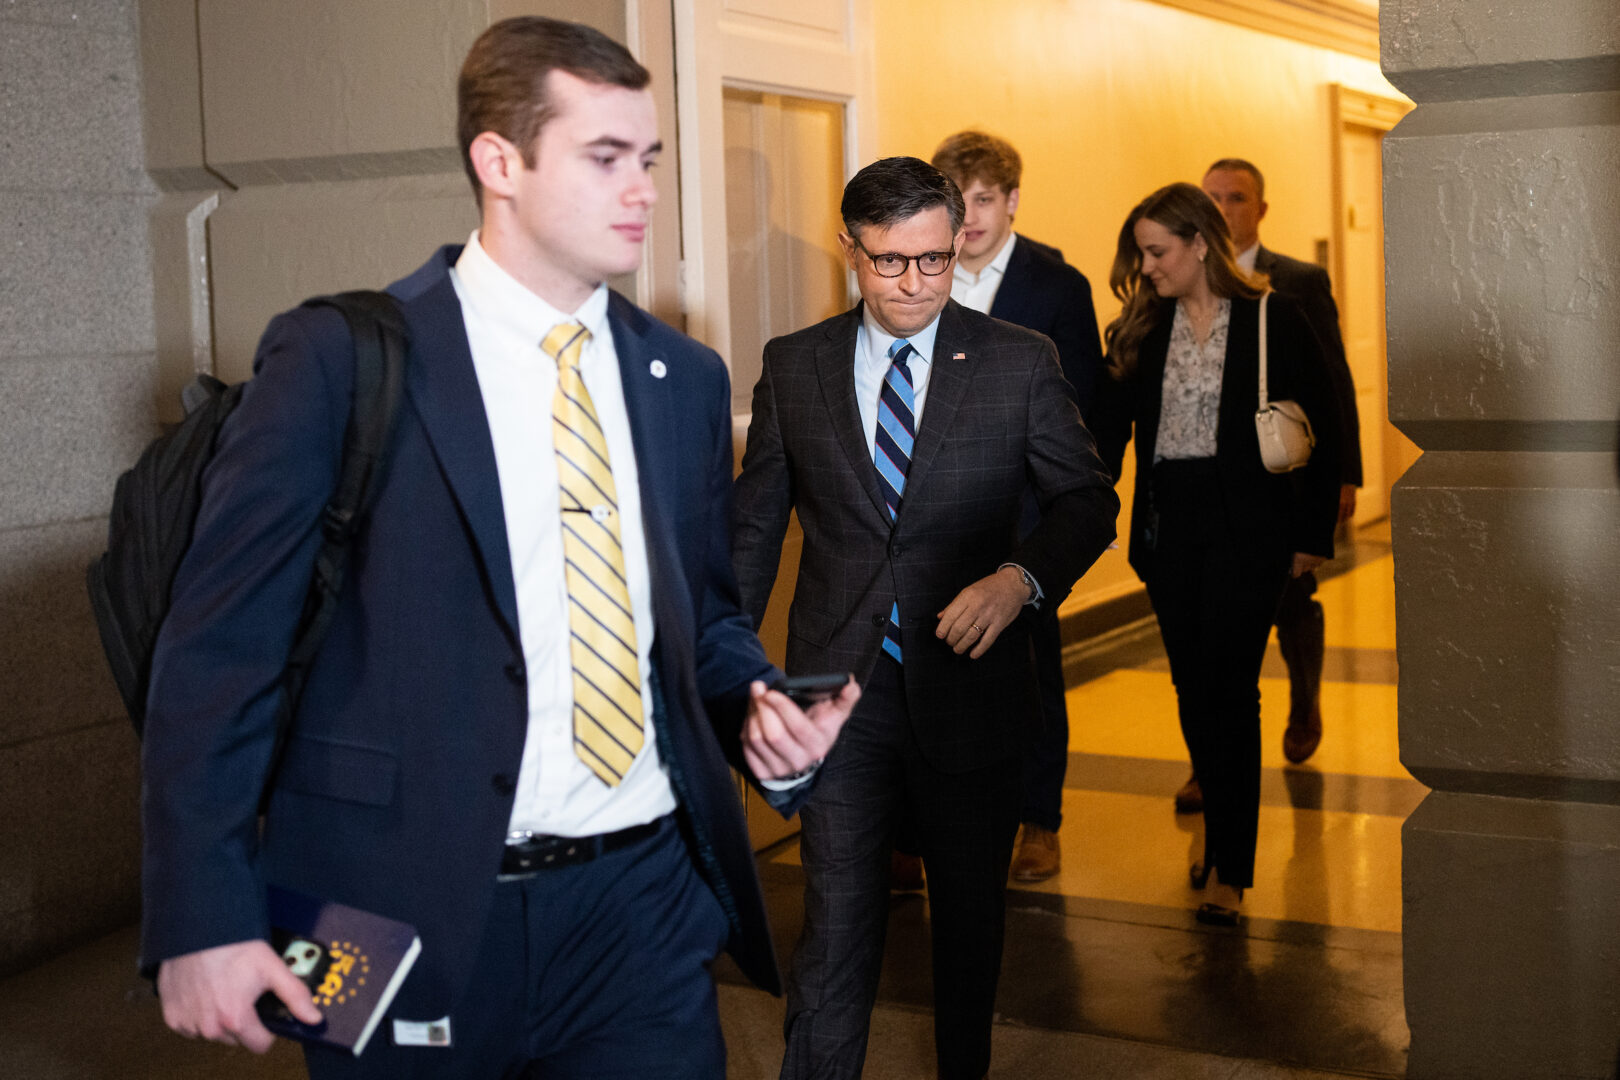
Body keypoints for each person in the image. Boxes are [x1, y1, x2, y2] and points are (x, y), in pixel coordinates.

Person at [140, 17, 858, 1079]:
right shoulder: (343, 358)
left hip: (641, 907)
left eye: (648, 159)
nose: (643, 190)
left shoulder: (684, 380)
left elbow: (699, 617)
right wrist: (202, 916)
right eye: (604, 157)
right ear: (499, 162)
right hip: (384, 905)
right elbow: (218, 655)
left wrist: (755, 704)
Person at [731, 156, 1117, 1080]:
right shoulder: (796, 366)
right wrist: (733, 674)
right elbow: (750, 532)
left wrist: (1018, 580)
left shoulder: (1018, 361)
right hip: (836, 692)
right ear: (850, 251)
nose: (914, 285)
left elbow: (1088, 503)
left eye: (935, 262)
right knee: (835, 929)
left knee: (969, 934)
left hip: (971, 689)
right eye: (889, 263)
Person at [1093, 182, 1341, 926]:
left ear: (1201, 244)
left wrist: (1309, 538)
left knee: (1232, 691)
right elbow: (1110, 438)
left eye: (1159, 251)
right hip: (1170, 535)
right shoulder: (1143, 326)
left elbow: (1323, 427)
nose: (1149, 265)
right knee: (1194, 689)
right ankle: (1221, 828)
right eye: (1141, 252)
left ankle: (1231, 867)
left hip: (1249, 532)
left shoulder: (1274, 317)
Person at [928, 130, 1106, 883]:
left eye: (984, 200)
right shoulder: (920, 277)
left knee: (1032, 673)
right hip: (934, 515)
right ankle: (925, 822)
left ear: (1012, 200)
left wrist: (1061, 521)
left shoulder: (1055, 286)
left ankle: (1040, 820)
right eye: (956, 199)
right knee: (931, 670)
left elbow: (1089, 410)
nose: (967, 216)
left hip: (1028, 519)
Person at [1175, 158, 1362, 805]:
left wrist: (1345, 477)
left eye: (1236, 198)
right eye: (1212, 197)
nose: (1224, 208)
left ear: (1261, 208)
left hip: (1281, 479)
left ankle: (1304, 698)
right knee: (1211, 644)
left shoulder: (1298, 283)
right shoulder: (1179, 277)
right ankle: (1210, 765)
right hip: (1209, 496)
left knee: (1291, 602)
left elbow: (1332, 386)